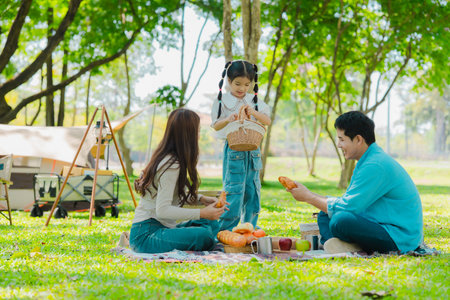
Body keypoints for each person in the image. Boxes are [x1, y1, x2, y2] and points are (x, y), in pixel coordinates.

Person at [287, 111, 423, 254]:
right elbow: (348, 203)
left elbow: (347, 208)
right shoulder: (367, 161)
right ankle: (337, 245)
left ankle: (346, 246)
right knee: (325, 214)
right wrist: (309, 195)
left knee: (341, 219)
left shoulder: (375, 165)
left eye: (342, 139)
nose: (339, 145)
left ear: (358, 139)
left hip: (398, 237)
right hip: (378, 223)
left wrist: (308, 197)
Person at [129, 108, 227, 253]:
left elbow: (172, 195)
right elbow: (162, 210)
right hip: (146, 235)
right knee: (203, 235)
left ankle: (212, 236)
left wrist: (202, 199)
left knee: (208, 222)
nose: (199, 135)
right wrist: (201, 213)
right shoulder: (171, 164)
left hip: (162, 228)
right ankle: (210, 238)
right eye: (197, 131)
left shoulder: (169, 158)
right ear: (187, 135)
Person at [211, 60, 271, 231]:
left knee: (253, 190)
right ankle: (225, 230)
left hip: (253, 150)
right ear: (228, 81)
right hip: (234, 149)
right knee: (234, 189)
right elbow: (215, 125)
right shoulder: (223, 100)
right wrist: (229, 119)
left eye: (246, 84)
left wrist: (253, 112)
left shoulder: (254, 100)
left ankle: (249, 227)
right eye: (237, 84)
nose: (242, 89)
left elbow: (267, 121)